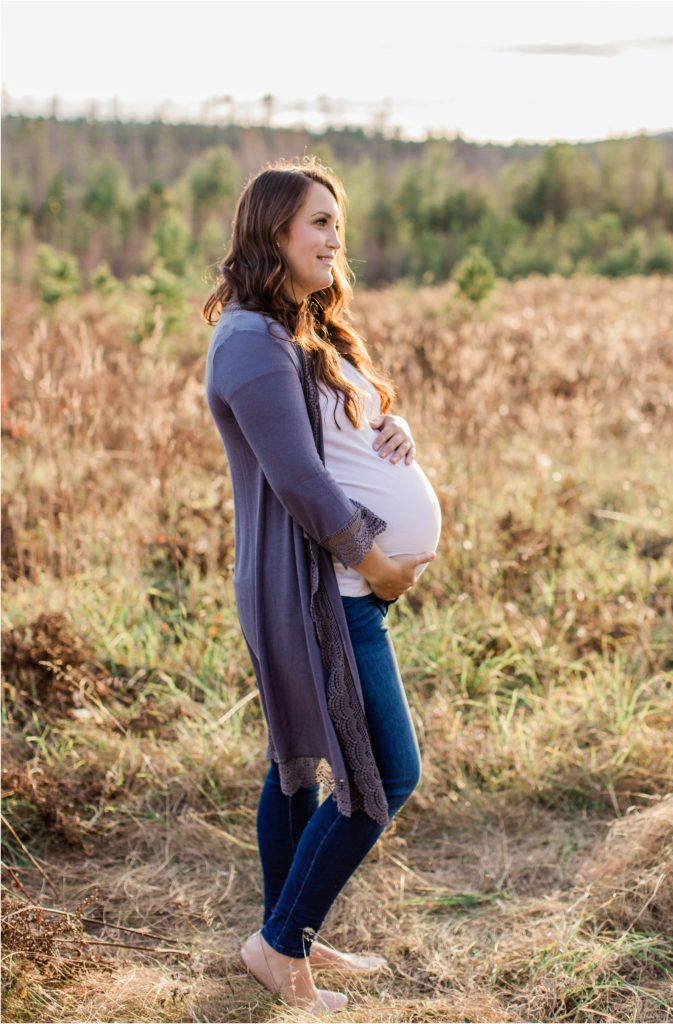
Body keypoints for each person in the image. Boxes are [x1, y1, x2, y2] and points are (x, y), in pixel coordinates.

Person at [203, 155, 441, 1013]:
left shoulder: (295, 328)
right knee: (383, 775)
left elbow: (339, 430)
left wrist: (388, 422)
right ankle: (279, 944)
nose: (336, 240)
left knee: (297, 766)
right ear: (273, 232)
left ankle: (289, 936)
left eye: (337, 224)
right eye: (318, 224)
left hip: (336, 591)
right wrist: (374, 558)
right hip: (314, 592)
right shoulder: (249, 342)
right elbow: (299, 480)